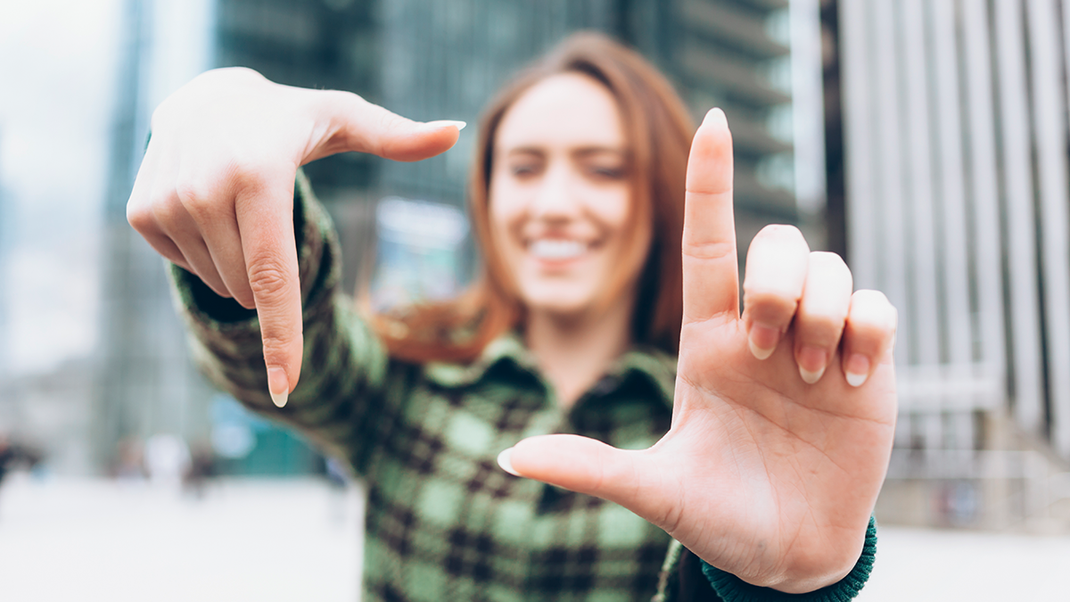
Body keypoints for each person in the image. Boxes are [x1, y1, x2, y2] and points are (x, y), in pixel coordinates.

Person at [127, 32, 897, 601]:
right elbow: (291, 350)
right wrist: (238, 189)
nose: (555, 204)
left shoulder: (736, 421)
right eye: (524, 167)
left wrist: (777, 584)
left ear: (657, 197)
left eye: (602, 168)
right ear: (486, 198)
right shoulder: (408, 375)